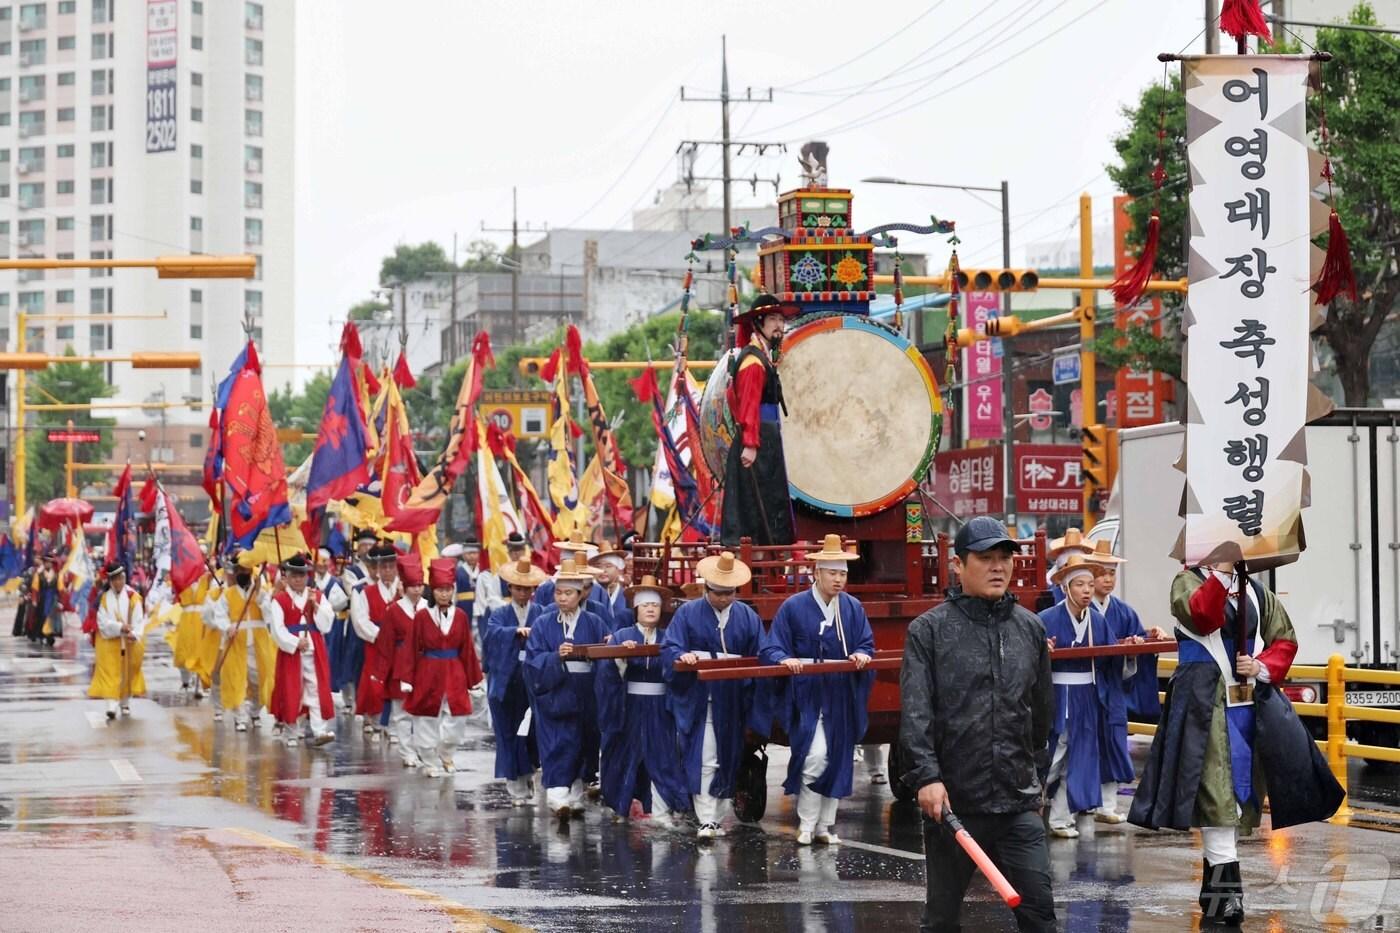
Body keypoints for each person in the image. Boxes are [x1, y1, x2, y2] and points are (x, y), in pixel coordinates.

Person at [1129, 563, 1343, 926]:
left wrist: (1259, 666)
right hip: (1202, 703)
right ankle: (1228, 897)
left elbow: (1285, 638)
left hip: (1249, 704)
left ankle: (1214, 896)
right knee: (1217, 793)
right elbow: (1202, 616)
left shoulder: (1257, 593)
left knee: (1242, 795)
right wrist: (1222, 576)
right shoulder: (1188, 581)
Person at [899, 516, 1056, 933]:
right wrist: (927, 777)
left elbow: (1042, 714)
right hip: (954, 806)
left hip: (1017, 803)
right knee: (942, 921)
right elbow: (916, 713)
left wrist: (1036, 777)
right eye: (985, 558)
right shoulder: (928, 632)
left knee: (1040, 915)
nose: (998, 567)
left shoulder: (1030, 629)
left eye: (1004, 557)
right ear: (958, 565)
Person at [761, 534, 875, 845]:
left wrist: (862, 654)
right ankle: (807, 823)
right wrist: (786, 659)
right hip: (809, 691)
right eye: (833, 573)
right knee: (814, 755)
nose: (839, 580)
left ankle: (825, 825)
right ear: (817, 573)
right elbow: (773, 647)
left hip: (840, 690)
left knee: (838, 756)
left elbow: (866, 643)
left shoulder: (852, 608)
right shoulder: (794, 606)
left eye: (843, 574)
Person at [662, 551, 767, 839]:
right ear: (706, 589)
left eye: (729, 593)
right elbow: (670, 646)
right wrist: (683, 655)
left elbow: (762, 651)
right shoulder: (687, 613)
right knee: (705, 755)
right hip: (700, 695)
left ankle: (718, 815)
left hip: (732, 696)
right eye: (718, 593)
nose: (723, 598)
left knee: (729, 756)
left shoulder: (747, 616)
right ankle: (706, 817)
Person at [596, 574, 690, 825]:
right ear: (636, 608)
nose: (650, 609)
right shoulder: (622, 635)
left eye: (655, 605)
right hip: (630, 705)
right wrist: (621, 657)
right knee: (624, 755)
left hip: (660, 706)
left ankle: (662, 811)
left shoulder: (669, 637)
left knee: (664, 757)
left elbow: (676, 672)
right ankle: (620, 805)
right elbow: (608, 675)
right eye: (646, 605)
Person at [522, 556, 610, 822]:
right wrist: (555, 657)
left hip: (586, 690)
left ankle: (574, 793)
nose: (562, 598)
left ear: (581, 594)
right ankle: (557, 795)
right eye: (558, 592)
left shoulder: (595, 621)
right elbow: (533, 659)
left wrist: (608, 645)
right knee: (558, 742)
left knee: (584, 741)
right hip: (556, 691)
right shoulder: (543, 623)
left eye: (568, 593)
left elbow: (606, 655)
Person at [1088, 544, 1167, 821]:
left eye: (1112, 573)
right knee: (1081, 745)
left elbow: (1137, 639)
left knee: (1114, 743)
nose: (1108, 579)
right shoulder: (1078, 610)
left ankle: (1107, 806)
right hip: (1084, 687)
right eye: (1101, 573)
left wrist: (1145, 639)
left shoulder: (1124, 612)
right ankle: (1081, 802)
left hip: (1113, 687)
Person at [1039, 553, 1114, 839]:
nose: (1086, 591)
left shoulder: (1096, 620)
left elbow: (1110, 658)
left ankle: (1060, 819)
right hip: (1058, 693)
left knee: (1079, 758)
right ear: (1065, 588)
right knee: (1053, 756)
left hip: (1086, 693)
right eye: (1080, 585)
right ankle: (1030, 809)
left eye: (1089, 585)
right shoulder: (1045, 619)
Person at [721, 293, 798, 547]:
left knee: (767, 509)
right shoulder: (753, 361)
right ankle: (757, 570)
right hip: (758, 443)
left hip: (767, 440)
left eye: (781, 319)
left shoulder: (763, 357)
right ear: (758, 324)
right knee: (756, 515)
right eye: (773, 319)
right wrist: (751, 444)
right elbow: (749, 404)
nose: (779, 325)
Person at [403, 558, 484, 778]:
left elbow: (467, 648)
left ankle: (446, 752)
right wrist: (407, 679)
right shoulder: (421, 616)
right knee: (426, 716)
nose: (444, 594)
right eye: (439, 589)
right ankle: (429, 759)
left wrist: (474, 680)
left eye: (448, 589)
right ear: (433, 590)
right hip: (428, 670)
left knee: (457, 716)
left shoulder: (460, 616)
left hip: (455, 670)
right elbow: (411, 647)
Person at [482, 557, 547, 805]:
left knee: (531, 732)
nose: (523, 593)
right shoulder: (499, 614)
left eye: (527, 589)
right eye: (518, 588)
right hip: (506, 683)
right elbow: (491, 639)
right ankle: (515, 785)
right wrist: (513, 633)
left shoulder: (541, 613)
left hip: (532, 682)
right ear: (509, 588)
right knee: (508, 733)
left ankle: (528, 770)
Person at [363, 553, 427, 765]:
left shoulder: (429, 608)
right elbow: (385, 644)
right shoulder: (394, 611)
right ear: (404, 587)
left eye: (420, 585)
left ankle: (422, 750)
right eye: (412, 585)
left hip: (425, 665)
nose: (416, 589)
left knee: (424, 712)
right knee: (401, 712)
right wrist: (380, 674)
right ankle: (407, 752)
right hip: (401, 665)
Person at [267, 553, 336, 747]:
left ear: (307, 576)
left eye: (302, 575)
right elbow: (277, 629)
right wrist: (295, 642)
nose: (298, 579)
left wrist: (315, 607)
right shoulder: (279, 600)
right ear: (286, 577)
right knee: (291, 689)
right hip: (293, 650)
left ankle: (319, 729)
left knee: (315, 687)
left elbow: (326, 624)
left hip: (314, 648)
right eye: (294, 575)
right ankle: (291, 730)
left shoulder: (317, 596)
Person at [211, 557, 278, 732]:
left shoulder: (261, 592)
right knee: (237, 680)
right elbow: (219, 615)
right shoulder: (228, 594)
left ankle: (255, 711)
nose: (243, 574)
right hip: (236, 643)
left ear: (251, 572)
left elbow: (270, 615)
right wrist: (227, 627)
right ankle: (240, 717)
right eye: (240, 571)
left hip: (259, 644)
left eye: (246, 571)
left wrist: (260, 596)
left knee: (261, 681)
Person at [352, 544, 399, 738]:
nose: (387, 571)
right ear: (377, 569)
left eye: (391, 567)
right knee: (374, 680)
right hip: (376, 642)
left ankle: (394, 721)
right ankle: (373, 715)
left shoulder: (403, 589)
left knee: (397, 680)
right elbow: (360, 619)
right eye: (384, 567)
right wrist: (379, 635)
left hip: (398, 643)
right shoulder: (366, 592)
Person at [89, 562, 147, 720]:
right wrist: (120, 627)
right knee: (109, 672)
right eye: (114, 579)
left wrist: (133, 633)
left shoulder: (133, 597)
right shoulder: (103, 598)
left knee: (128, 671)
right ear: (110, 581)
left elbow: (139, 620)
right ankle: (111, 705)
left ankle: (125, 702)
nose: (118, 582)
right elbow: (102, 622)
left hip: (129, 642)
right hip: (109, 642)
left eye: (120, 578)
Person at [336, 529, 378, 711]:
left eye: (371, 545)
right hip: (357, 620)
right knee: (355, 659)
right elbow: (352, 592)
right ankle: (353, 698)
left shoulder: (382, 570)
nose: (367, 548)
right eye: (364, 545)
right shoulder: (351, 572)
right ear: (358, 548)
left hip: (377, 618)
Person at [314, 547, 354, 710]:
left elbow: (344, 602)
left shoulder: (335, 583)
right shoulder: (310, 582)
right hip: (315, 626)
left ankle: (340, 695)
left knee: (336, 659)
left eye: (325, 562)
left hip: (334, 627)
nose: (322, 565)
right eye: (319, 562)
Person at [589, 545, 630, 632]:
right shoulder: (589, 593)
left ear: (618, 569)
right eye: (598, 566)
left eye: (608, 566)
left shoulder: (627, 595)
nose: (603, 570)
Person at [443, 541, 481, 623]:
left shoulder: (482, 570)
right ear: (463, 555)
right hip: (463, 606)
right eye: (469, 553)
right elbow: (453, 592)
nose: (472, 556)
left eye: (474, 553)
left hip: (480, 607)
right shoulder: (458, 572)